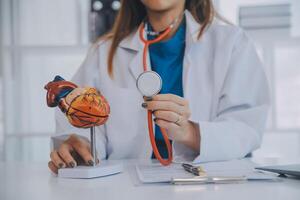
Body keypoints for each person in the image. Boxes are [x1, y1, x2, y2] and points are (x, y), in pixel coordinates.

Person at [48, 0, 270, 174]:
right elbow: (82, 121)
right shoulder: (105, 52)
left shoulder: (231, 43)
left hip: (208, 184)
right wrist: (81, 145)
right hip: (124, 187)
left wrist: (191, 133)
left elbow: (246, 126)